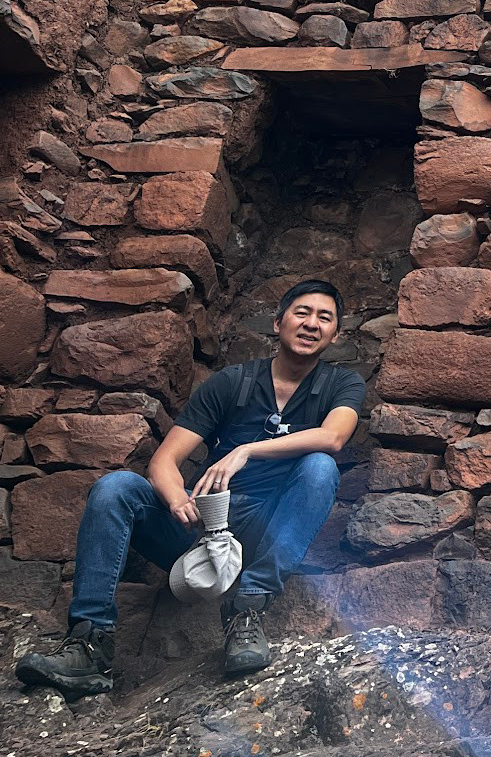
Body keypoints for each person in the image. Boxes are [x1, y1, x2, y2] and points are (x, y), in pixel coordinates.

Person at [17, 280, 363, 696]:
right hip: (200, 530)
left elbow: (333, 437)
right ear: (278, 322)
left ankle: (247, 610)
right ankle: (90, 643)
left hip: (264, 530)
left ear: (335, 334)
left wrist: (246, 450)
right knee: (116, 487)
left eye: (324, 318)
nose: (311, 324)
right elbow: (163, 461)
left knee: (320, 467)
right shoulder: (233, 382)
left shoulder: (342, 385)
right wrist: (177, 499)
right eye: (301, 312)